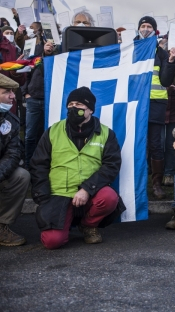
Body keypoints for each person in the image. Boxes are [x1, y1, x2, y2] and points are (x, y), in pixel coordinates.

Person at [29, 87, 124, 249]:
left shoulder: (107, 134)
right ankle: (64, 221)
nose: (74, 108)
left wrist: (87, 189)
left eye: (79, 105)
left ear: (90, 110)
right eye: (71, 104)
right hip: (58, 193)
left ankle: (88, 225)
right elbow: (38, 164)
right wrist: (43, 198)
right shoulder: (53, 131)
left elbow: (111, 165)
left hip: (91, 192)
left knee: (109, 198)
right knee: (52, 242)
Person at [135, 16, 175, 199]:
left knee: (155, 145)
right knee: (135, 144)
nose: (145, 29)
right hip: (135, 104)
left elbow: (166, 81)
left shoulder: (160, 52)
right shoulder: (130, 49)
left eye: (149, 26)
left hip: (156, 104)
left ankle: (157, 185)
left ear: (155, 30)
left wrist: (170, 61)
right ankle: (136, 184)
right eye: (143, 26)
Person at [0, 75, 30, 246]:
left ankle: (1, 226)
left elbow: (13, 154)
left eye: (13, 92)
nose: (12, 96)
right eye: (7, 92)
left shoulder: (11, 121)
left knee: (21, 176)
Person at [22, 23, 57, 168]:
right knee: (30, 135)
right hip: (34, 99)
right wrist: (26, 93)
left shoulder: (59, 58)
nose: (49, 46)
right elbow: (25, 75)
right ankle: (28, 163)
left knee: (46, 135)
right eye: (47, 44)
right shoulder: (34, 56)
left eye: (52, 44)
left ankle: (43, 164)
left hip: (50, 101)